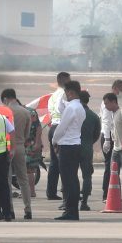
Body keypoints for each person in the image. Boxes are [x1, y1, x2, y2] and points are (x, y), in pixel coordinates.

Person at [52, 80, 86, 221]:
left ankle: (70, 211)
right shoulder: (80, 107)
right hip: (76, 144)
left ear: (71, 93)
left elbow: (61, 127)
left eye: (66, 93)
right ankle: (73, 210)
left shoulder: (71, 108)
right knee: (73, 179)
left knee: (68, 180)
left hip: (67, 146)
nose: (65, 95)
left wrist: (54, 140)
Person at [2, 88, 33, 220]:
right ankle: (28, 210)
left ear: (5, 99)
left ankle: (10, 210)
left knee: (7, 180)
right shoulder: (26, 112)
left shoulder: (4, 112)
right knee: (23, 180)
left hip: (7, 147)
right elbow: (27, 134)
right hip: (20, 146)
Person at [45, 71, 72, 201]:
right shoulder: (65, 95)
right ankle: (67, 191)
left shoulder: (53, 96)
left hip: (53, 128)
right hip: (61, 128)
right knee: (64, 162)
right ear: (65, 81)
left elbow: (50, 112)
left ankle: (51, 191)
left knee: (54, 163)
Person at [100, 80, 122, 199]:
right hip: (108, 136)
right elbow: (106, 121)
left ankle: (114, 193)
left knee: (114, 166)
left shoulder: (113, 101)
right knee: (110, 166)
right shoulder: (108, 102)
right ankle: (107, 194)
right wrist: (107, 139)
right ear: (115, 88)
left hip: (112, 136)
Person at [78, 90, 100, 212]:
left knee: (70, 175)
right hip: (86, 148)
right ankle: (84, 202)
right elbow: (96, 135)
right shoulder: (94, 116)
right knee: (87, 176)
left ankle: (68, 201)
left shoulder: (73, 112)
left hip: (73, 147)